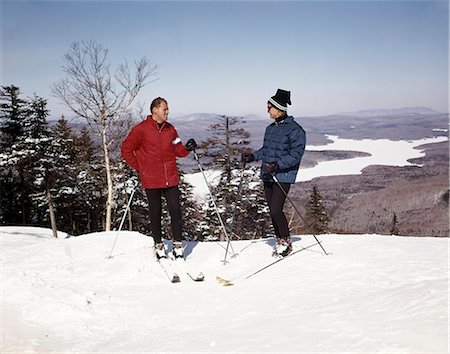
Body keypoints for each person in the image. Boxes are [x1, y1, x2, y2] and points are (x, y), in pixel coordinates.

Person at [121, 97, 197, 260]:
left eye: (168, 109)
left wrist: (187, 149)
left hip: (170, 177)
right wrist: (141, 168)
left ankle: (177, 245)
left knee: (175, 210)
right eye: (165, 109)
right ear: (155, 110)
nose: (168, 112)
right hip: (151, 179)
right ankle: (158, 245)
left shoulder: (171, 129)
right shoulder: (141, 129)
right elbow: (126, 149)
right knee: (155, 212)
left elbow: (178, 149)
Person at [242, 89, 306, 257]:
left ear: (279, 108)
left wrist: (277, 166)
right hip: (268, 174)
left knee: (276, 209)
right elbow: (266, 151)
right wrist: (252, 157)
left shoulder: (295, 130)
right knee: (272, 210)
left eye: (269, 107)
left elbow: (295, 155)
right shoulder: (270, 128)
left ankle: (286, 241)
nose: (267, 110)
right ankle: (279, 240)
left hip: (283, 176)